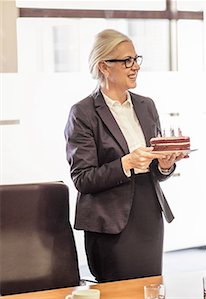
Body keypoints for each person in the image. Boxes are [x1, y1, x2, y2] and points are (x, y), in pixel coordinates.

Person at [64, 29, 184, 282]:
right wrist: (126, 163)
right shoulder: (83, 113)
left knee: (151, 287)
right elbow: (83, 179)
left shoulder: (146, 105)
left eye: (136, 59)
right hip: (109, 220)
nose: (135, 67)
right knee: (118, 292)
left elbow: (157, 170)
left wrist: (164, 164)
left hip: (148, 212)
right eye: (126, 61)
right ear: (104, 67)